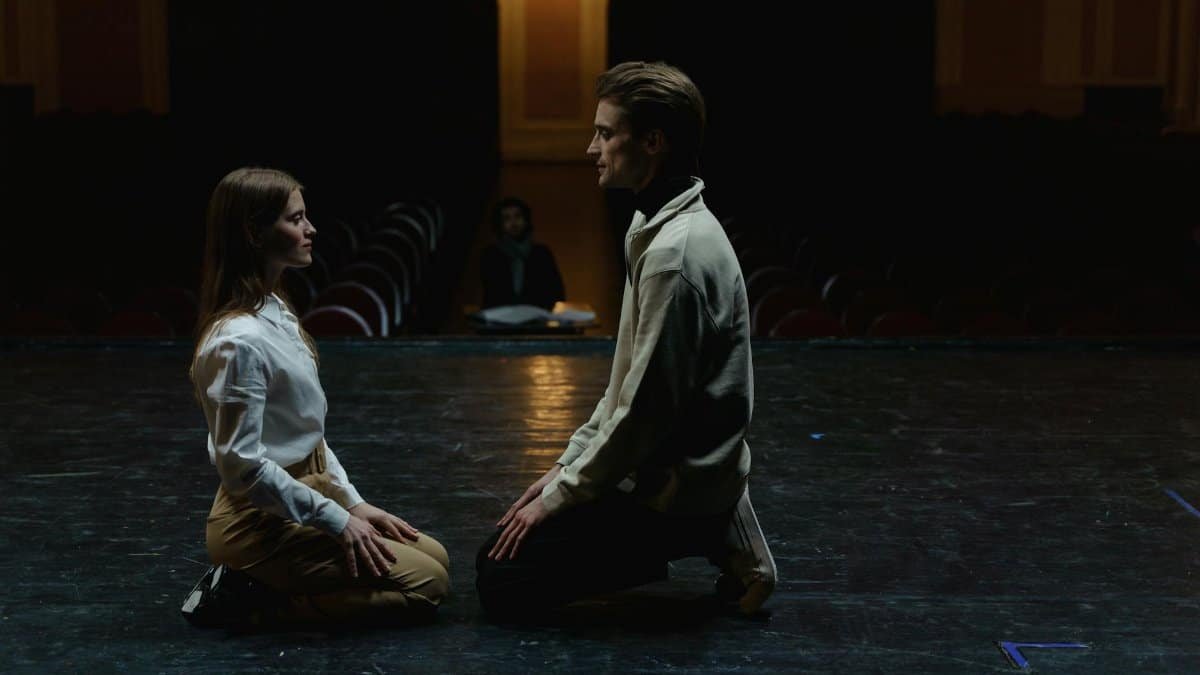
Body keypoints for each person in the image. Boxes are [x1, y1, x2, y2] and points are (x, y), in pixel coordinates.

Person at [475, 62, 776, 618]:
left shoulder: (674, 254)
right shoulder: (654, 223)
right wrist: (564, 468)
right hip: (661, 461)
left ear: (653, 142)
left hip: (677, 486)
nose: (592, 147)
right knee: (495, 554)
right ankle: (708, 515)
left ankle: (713, 527)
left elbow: (643, 413)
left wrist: (564, 494)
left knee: (501, 581)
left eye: (605, 133)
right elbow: (625, 384)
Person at [182, 167, 449, 628]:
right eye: (295, 218)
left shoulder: (275, 309)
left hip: (311, 489)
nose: (311, 229)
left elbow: (311, 438)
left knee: (436, 556)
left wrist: (354, 503)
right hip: (256, 521)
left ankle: (269, 585)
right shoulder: (238, 341)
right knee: (428, 585)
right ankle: (247, 602)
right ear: (254, 232)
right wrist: (337, 521)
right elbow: (243, 467)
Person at [480, 197, 565, 310]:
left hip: (538, 318)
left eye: (518, 216)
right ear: (500, 223)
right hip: (500, 319)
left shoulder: (541, 253)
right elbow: (491, 293)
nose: (513, 223)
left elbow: (556, 291)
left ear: (526, 219)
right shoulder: (491, 254)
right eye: (507, 218)